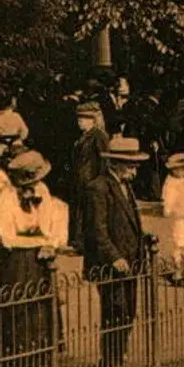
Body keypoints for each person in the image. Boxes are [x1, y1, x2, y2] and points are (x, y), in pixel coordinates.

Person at [83, 136, 155, 367]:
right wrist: (114, 256)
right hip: (110, 263)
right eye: (130, 166)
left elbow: (129, 221)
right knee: (114, 310)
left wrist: (144, 238)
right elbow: (98, 230)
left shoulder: (126, 187)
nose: (134, 171)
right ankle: (110, 360)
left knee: (128, 311)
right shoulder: (98, 188)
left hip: (130, 259)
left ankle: (120, 355)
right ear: (115, 164)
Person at [0, 151, 67, 367]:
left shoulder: (43, 192)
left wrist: (52, 243)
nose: (34, 186)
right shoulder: (6, 198)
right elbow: (7, 238)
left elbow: (52, 223)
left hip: (40, 261)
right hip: (15, 262)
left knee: (38, 317)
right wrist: (39, 241)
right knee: (16, 314)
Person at [69, 101, 109, 255]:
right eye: (78, 119)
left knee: (90, 213)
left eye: (82, 120)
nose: (79, 122)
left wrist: (98, 180)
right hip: (83, 180)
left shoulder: (98, 136)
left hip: (92, 179)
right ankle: (80, 244)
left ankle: (85, 245)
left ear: (92, 120)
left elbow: (104, 160)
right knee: (83, 211)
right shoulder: (84, 136)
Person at [161, 152, 184, 285]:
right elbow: (168, 204)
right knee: (177, 245)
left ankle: (182, 270)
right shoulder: (170, 184)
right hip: (176, 219)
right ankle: (177, 274)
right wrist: (176, 212)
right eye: (180, 169)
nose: (183, 171)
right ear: (173, 170)